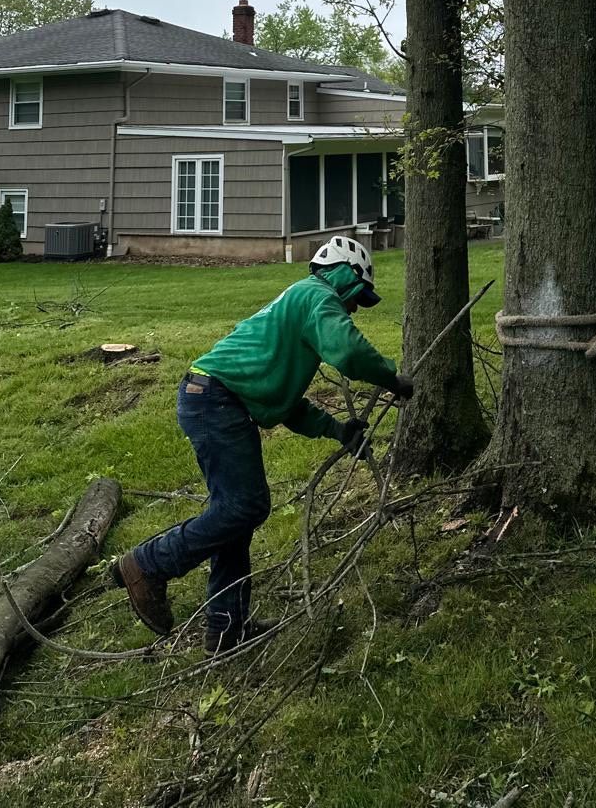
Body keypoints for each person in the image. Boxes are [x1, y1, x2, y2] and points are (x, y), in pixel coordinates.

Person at [114, 235, 413, 653]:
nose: (354, 308)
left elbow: (285, 404)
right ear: (344, 273)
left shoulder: (300, 306)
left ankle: (225, 629)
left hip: (212, 398)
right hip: (216, 400)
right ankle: (148, 564)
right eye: (358, 296)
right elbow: (347, 351)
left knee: (234, 516)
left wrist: (338, 431)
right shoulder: (317, 295)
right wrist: (391, 378)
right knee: (245, 508)